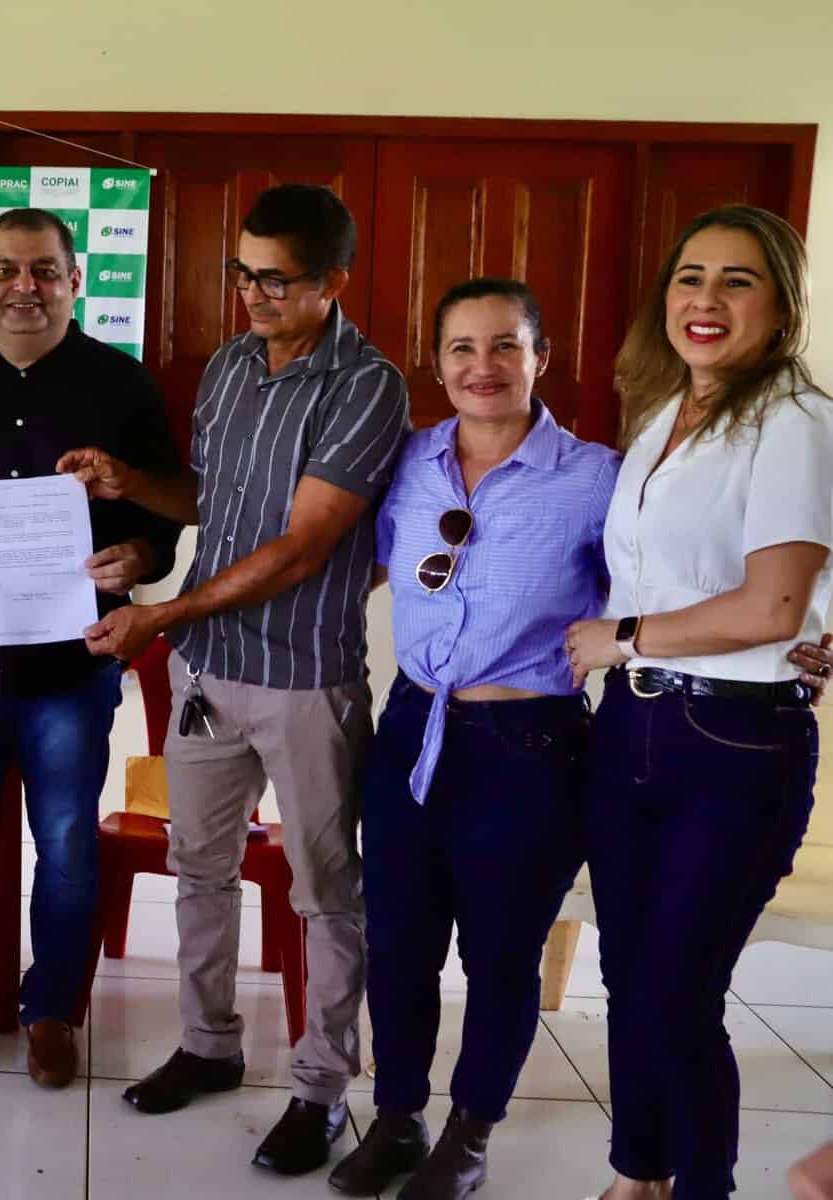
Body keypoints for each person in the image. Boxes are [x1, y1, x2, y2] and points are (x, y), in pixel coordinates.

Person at [62, 183, 410, 1174]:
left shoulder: (364, 385)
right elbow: (213, 504)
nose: (253, 293)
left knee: (323, 891)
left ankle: (319, 1087)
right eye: (243, 272)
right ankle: (209, 1046)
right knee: (197, 870)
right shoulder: (226, 366)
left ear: (333, 280)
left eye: (277, 279)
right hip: (211, 675)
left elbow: (302, 547)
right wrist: (130, 487)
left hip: (304, 678)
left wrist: (160, 617)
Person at [326, 279, 617, 1198]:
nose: (481, 367)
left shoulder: (597, 477)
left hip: (528, 746)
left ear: (541, 357)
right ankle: (401, 1117)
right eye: (461, 348)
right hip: (413, 728)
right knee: (399, 943)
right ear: (437, 361)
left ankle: (472, 1130)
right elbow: (354, 565)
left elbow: (657, 585)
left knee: (499, 953)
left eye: (503, 346)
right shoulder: (408, 462)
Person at [0, 207, 183, 1091]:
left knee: (66, 845)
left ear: (76, 279)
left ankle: (53, 1011)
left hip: (70, 666)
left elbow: (160, 516)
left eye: (45, 269)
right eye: (7, 269)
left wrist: (141, 558)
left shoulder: (122, 384)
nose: (26, 287)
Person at [565, 205, 831, 1200]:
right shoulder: (664, 416)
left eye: (736, 280)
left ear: (780, 303)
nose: (705, 301)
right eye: (690, 277)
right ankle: (639, 1176)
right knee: (630, 977)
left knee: (677, 994)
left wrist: (621, 639)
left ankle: (702, 1189)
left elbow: (772, 602)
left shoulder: (795, 422)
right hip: (630, 728)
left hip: (730, 741)